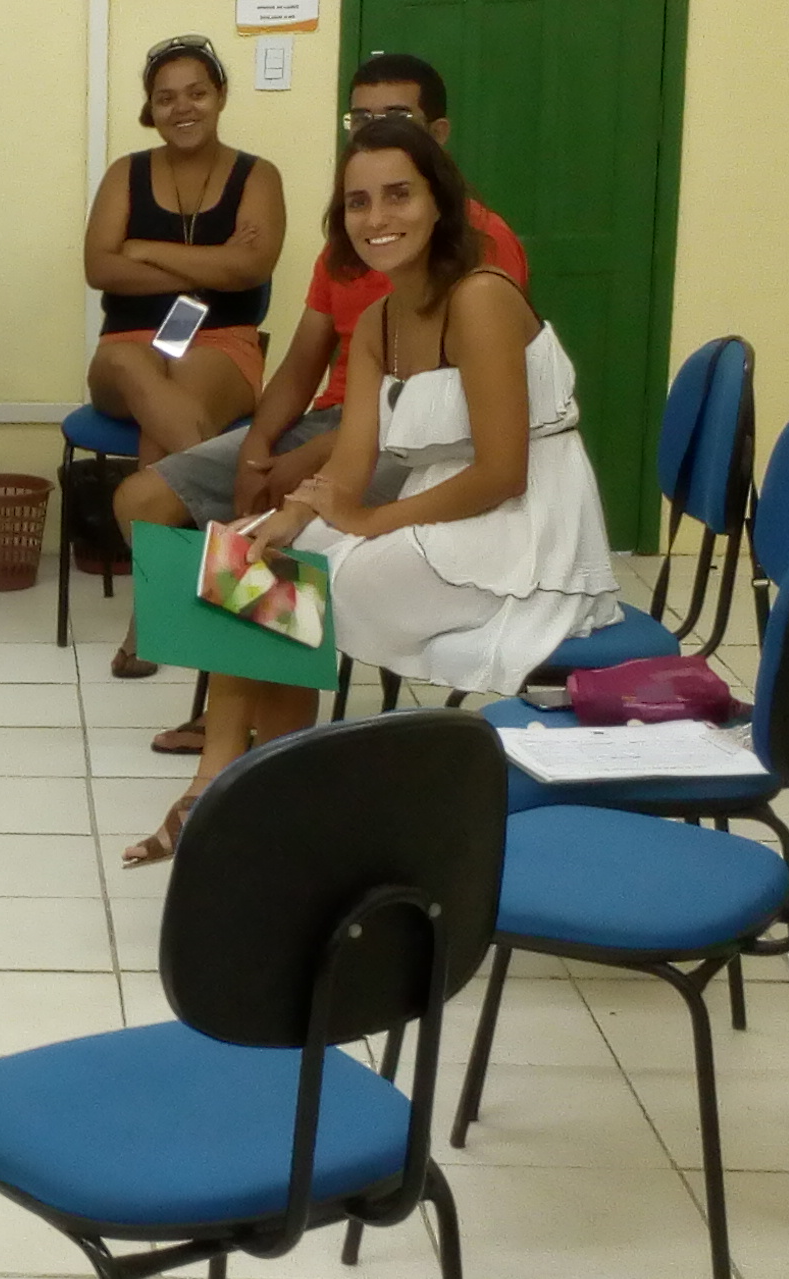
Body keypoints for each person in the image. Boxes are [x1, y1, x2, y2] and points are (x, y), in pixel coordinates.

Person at [125, 119, 617, 865]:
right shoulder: (381, 320)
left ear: (440, 202)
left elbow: (503, 471)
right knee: (248, 554)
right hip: (441, 504)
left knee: (286, 595)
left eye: (398, 196)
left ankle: (252, 804)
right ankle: (227, 790)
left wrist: (368, 519)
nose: (377, 218)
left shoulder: (480, 297)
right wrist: (291, 514)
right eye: (358, 202)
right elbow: (353, 459)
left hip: (522, 526)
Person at [121, 53, 532, 745]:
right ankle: (238, 708)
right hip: (347, 429)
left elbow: (444, 423)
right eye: (358, 119)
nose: (371, 132)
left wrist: (313, 480)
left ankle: (252, 734)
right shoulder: (353, 256)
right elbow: (301, 366)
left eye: (394, 118)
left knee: (271, 565)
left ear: (438, 141)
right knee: (152, 505)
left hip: (438, 454)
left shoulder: (482, 260)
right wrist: (259, 448)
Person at [81, 34, 289, 460]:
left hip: (222, 342)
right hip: (126, 340)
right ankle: (226, 495)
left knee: (172, 404)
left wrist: (145, 249)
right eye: (166, 99)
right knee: (128, 364)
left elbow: (249, 269)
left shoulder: (258, 175)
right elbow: (100, 269)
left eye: (197, 94)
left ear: (221, 96)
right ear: (151, 108)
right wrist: (216, 263)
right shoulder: (125, 172)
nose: (182, 109)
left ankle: (149, 505)